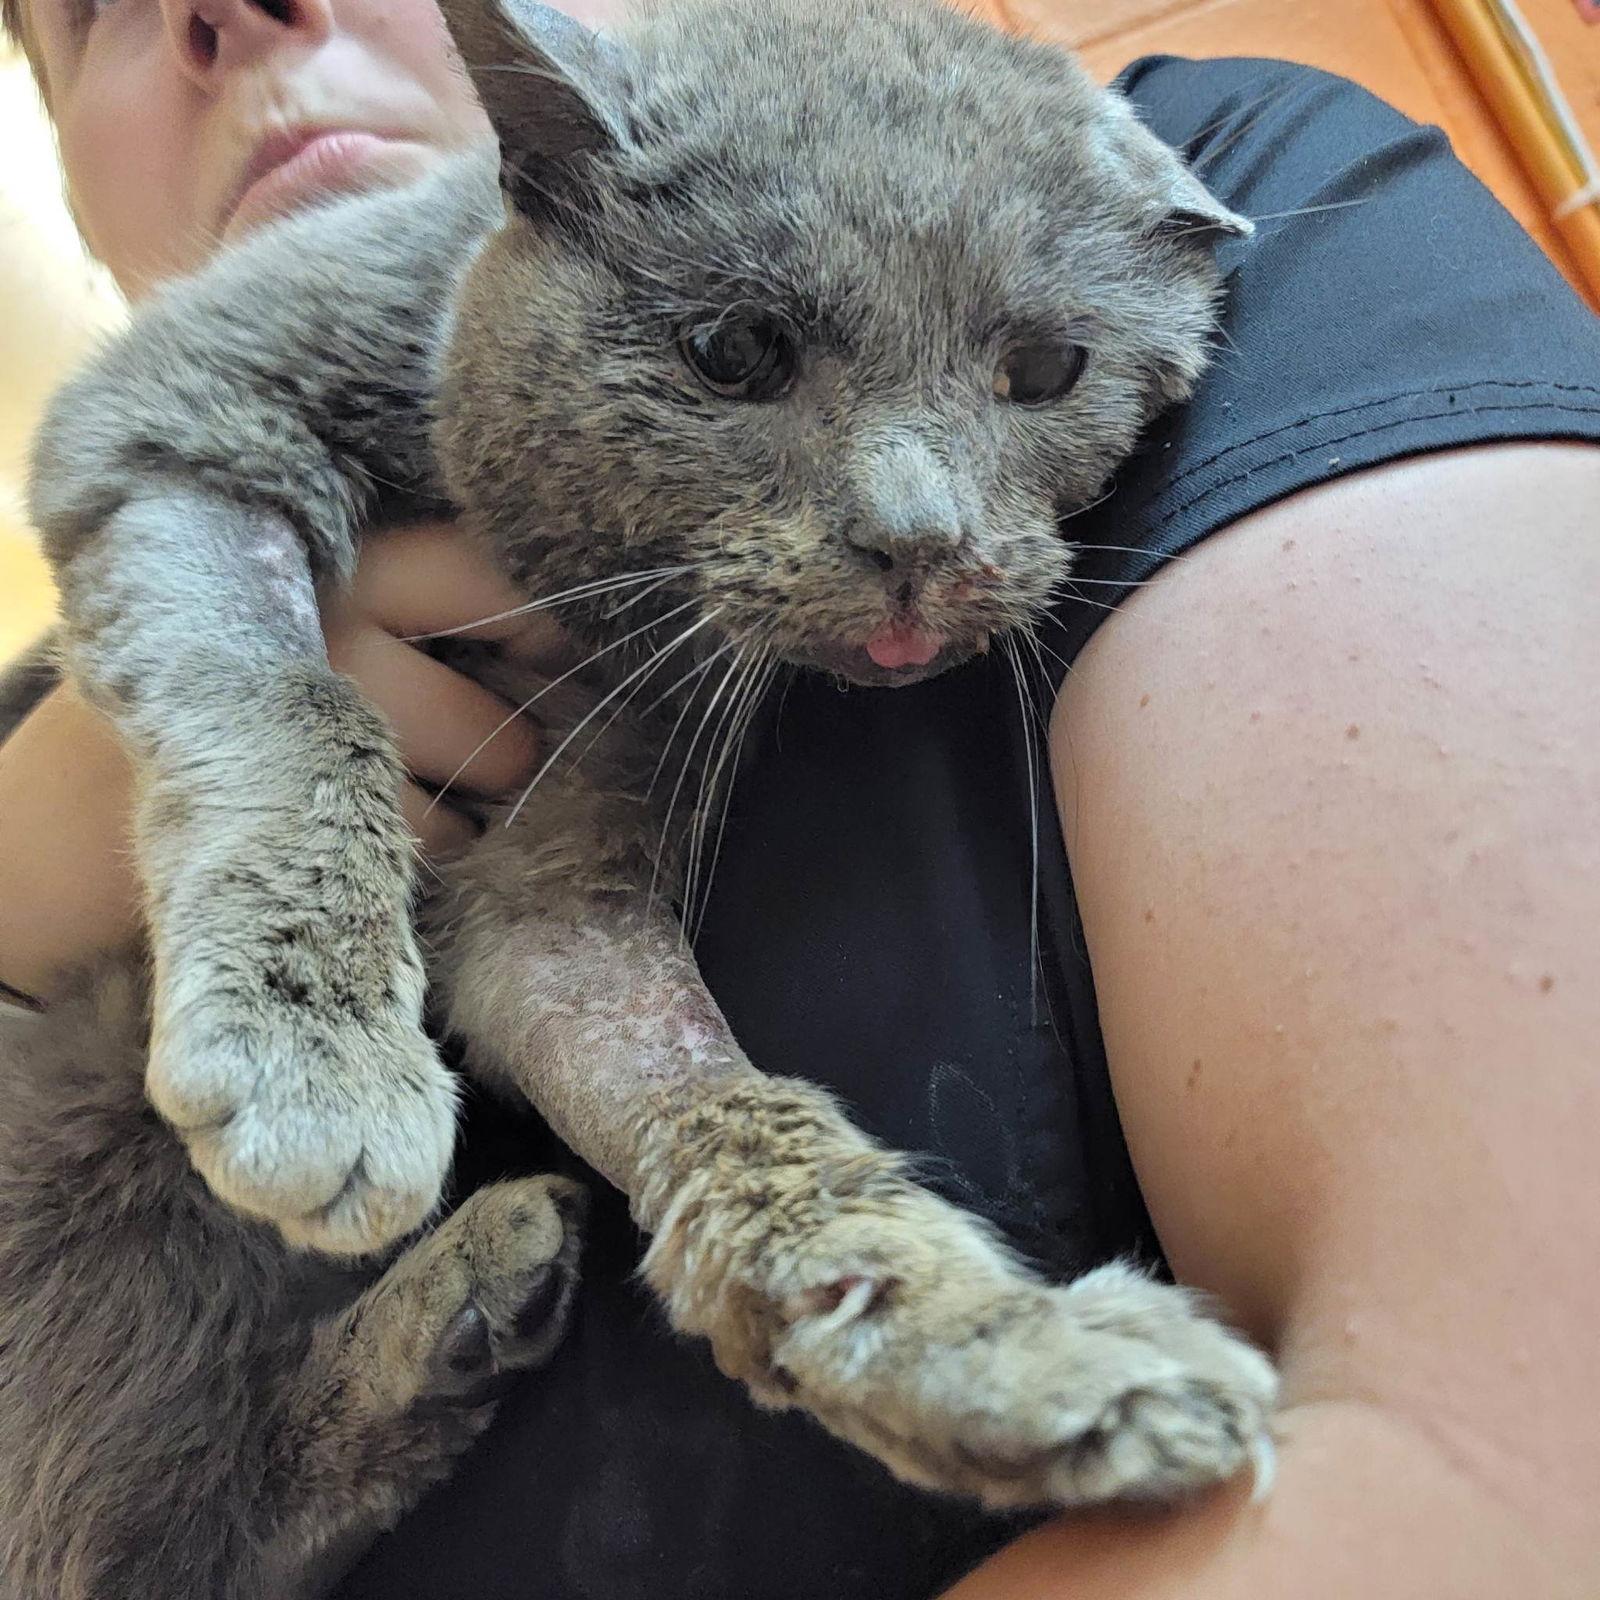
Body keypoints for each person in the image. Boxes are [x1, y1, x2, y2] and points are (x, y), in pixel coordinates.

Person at [2, 1, 1598, 1596]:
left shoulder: (1253, 194)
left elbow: (1503, 1466)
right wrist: (201, 819)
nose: (227, 9)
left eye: (1036, 367)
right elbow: (157, 433)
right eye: (96, 10)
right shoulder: (77, 675)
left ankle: (837, 1285)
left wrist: (789, 1230)